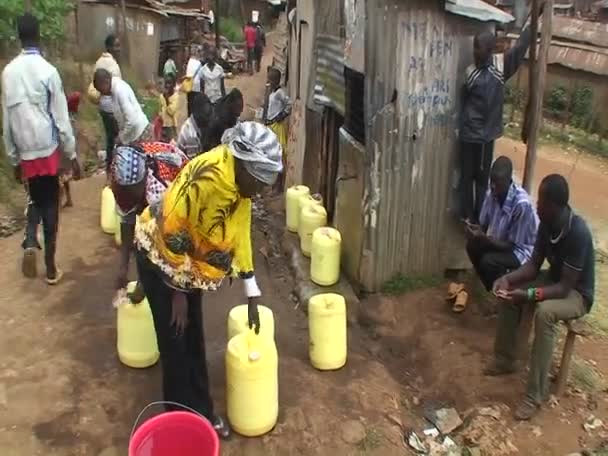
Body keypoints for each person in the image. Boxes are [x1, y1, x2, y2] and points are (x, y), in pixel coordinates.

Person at [133, 121, 283, 439]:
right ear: (245, 164)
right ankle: (180, 423)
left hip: (189, 268)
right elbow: (173, 226)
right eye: (261, 181)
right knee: (174, 347)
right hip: (160, 259)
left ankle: (202, 412)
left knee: (193, 338)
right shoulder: (209, 174)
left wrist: (250, 289)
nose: (262, 189)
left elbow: (240, 230)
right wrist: (176, 292)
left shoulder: (239, 186)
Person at [490, 174, 595, 421]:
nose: (537, 205)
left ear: (554, 205)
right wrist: (509, 279)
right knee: (508, 292)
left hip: (576, 293)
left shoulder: (578, 233)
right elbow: (533, 266)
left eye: (541, 201)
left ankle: (534, 395)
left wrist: (528, 294)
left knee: (545, 313)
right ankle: (505, 360)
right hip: (554, 281)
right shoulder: (547, 224)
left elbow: (564, 288)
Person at [2, 13, 81, 283]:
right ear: (38, 36)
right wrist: (70, 154)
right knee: (51, 205)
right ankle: (50, 266)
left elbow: (7, 121)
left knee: (35, 198)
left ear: (19, 37)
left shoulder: (8, 73)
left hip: (24, 150)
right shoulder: (48, 71)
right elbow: (61, 118)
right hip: (47, 150)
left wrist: (13, 158)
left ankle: (29, 241)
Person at [460, 15, 536, 223]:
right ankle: (468, 217)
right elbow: (464, 99)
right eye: (474, 47)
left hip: (485, 137)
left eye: (479, 48)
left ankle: (479, 218)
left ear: (490, 50)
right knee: (466, 177)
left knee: (482, 179)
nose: (475, 52)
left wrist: (531, 25)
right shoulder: (470, 73)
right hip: (469, 135)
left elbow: (520, 48)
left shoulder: (500, 67)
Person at [448, 156, 538, 312]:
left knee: (489, 261)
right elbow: (483, 225)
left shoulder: (521, 205)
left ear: (509, 181)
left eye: (498, 183)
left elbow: (512, 246)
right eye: (492, 181)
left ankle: (501, 299)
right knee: (472, 246)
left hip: (522, 252)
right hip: (502, 243)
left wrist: (484, 239)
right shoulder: (493, 193)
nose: (494, 187)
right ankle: (494, 289)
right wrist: (473, 230)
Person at [111, 142, 189, 294]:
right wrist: (123, 267)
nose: (128, 196)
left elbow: (171, 238)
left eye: (132, 192)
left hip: (182, 191)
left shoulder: (159, 192)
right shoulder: (121, 178)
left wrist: (143, 282)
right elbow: (127, 222)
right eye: (125, 192)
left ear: (143, 181)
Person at [93, 69, 153, 145]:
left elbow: (131, 120)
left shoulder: (119, 91)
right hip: (133, 133)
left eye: (101, 90)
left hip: (140, 133)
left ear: (106, 82)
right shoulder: (114, 90)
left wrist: (121, 137)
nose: (102, 93)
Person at [91, 34, 121, 173]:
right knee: (117, 138)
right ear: (109, 47)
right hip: (111, 107)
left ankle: (110, 167)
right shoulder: (112, 64)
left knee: (110, 138)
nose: (118, 49)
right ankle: (116, 168)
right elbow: (116, 87)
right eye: (116, 45)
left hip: (102, 106)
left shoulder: (98, 61)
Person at [176, 93, 214, 159]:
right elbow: (193, 163)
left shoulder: (202, 122)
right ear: (198, 113)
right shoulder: (190, 133)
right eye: (206, 115)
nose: (209, 118)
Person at [185, 46, 204, 117]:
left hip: (189, 85)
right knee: (196, 104)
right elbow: (201, 77)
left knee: (189, 102)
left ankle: (189, 116)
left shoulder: (189, 62)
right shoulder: (199, 63)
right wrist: (203, 89)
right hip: (197, 86)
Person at [159, 76, 179, 142]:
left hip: (171, 126)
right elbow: (161, 109)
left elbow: (171, 111)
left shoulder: (176, 97)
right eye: (166, 83)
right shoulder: (162, 96)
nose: (167, 86)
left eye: (169, 83)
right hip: (163, 124)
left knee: (171, 143)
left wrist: (167, 99)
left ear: (174, 85)